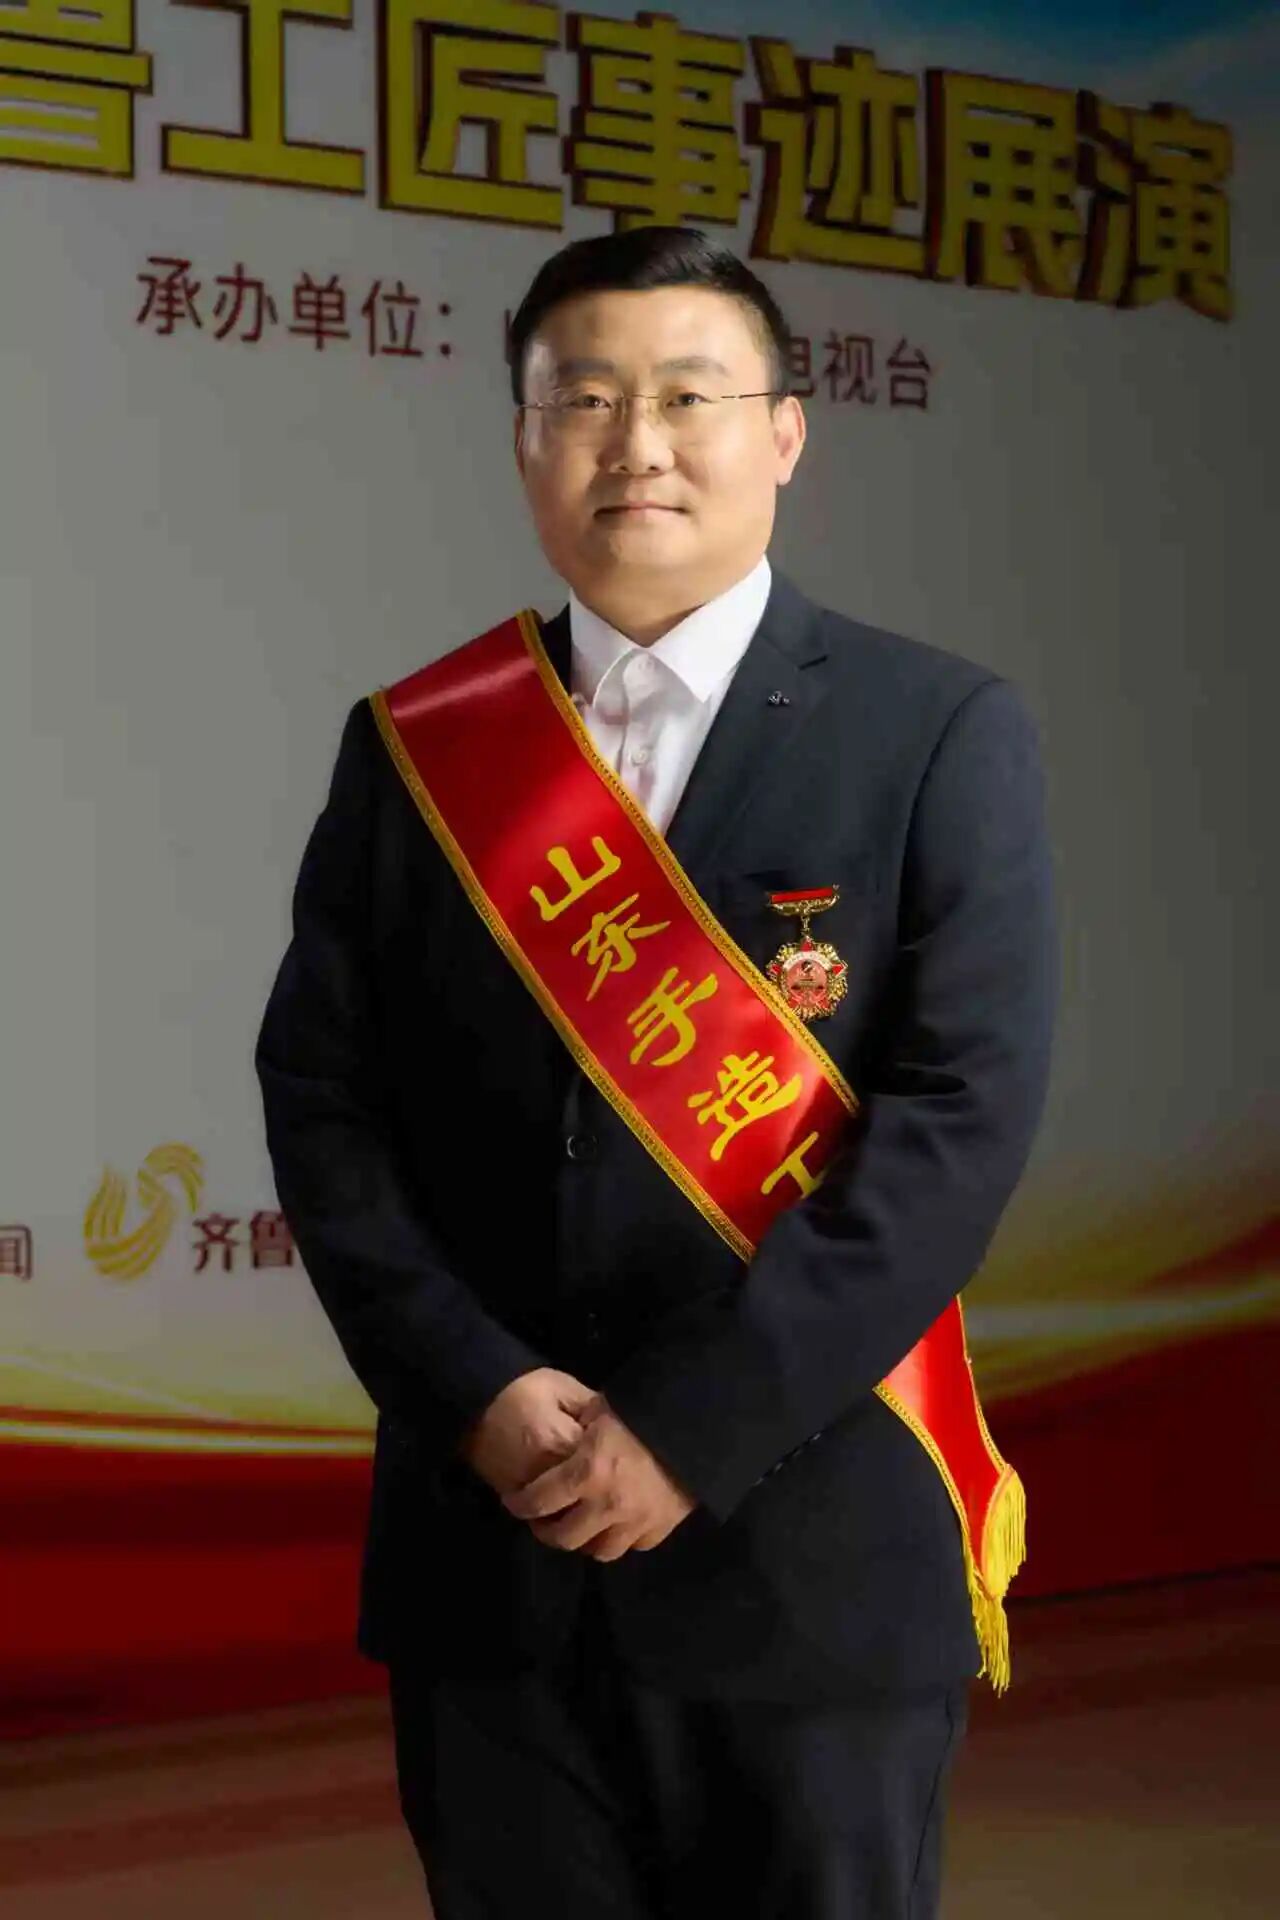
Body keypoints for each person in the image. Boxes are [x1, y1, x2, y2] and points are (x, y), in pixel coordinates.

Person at [256, 226, 1057, 1919]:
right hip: (493, 1550)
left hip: (809, 1552)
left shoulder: (934, 730)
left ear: (785, 432)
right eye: (586, 400)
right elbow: (326, 1109)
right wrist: (474, 1390)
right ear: (525, 439)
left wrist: (690, 1428)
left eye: (691, 396)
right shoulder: (421, 747)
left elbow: (958, 1126)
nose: (638, 444)